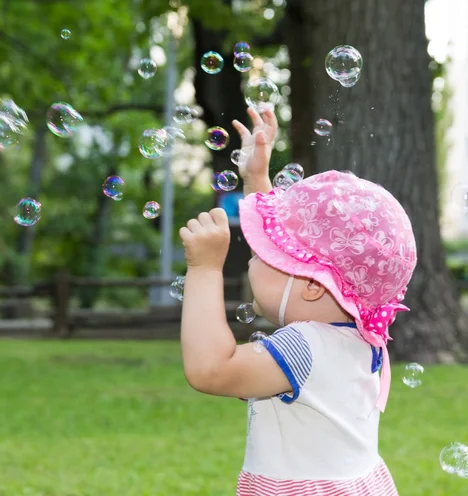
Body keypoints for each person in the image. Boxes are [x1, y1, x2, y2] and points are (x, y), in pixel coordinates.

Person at [178, 107, 417, 495]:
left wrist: (204, 269)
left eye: (263, 256)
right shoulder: (358, 335)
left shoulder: (303, 345)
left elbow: (210, 370)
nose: (253, 257)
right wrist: (257, 176)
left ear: (311, 286)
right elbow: (282, 269)